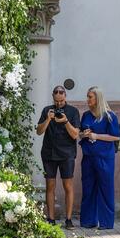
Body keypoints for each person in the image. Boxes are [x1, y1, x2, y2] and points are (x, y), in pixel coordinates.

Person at [36, 85, 80, 229]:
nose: (59, 104)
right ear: (53, 98)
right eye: (57, 102)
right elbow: (39, 132)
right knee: (50, 185)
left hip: (67, 153)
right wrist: (48, 119)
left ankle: (68, 220)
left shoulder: (73, 111)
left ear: (65, 97)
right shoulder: (46, 110)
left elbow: (75, 134)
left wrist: (66, 121)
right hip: (49, 153)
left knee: (68, 186)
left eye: (61, 101)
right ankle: (51, 219)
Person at [79, 86, 120, 230]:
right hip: (88, 157)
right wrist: (85, 133)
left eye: (90, 97)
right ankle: (88, 221)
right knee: (88, 188)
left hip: (104, 158)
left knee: (105, 189)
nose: (87, 99)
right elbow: (80, 133)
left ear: (97, 98)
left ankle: (106, 222)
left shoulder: (110, 116)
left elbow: (115, 136)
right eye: (87, 96)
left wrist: (96, 136)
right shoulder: (86, 115)